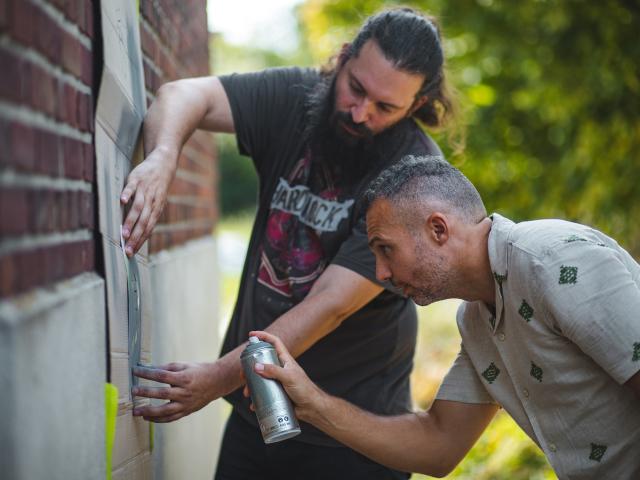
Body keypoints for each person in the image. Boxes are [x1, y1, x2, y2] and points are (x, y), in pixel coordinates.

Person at [123, 8, 458, 479]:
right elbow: (183, 94)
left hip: (352, 437)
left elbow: (331, 304)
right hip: (256, 411)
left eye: (385, 108)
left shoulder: (415, 176)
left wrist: (214, 378)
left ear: (416, 103)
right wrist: (161, 157)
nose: (360, 113)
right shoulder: (298, 98)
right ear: (342, 59)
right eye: (356, 89)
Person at [248, 155, 640, 479]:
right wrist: (312, 404)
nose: (381, 273)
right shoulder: (477, 319)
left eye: (385, 249)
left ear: (438, 228)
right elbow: (439, 444)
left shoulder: (551, 262)